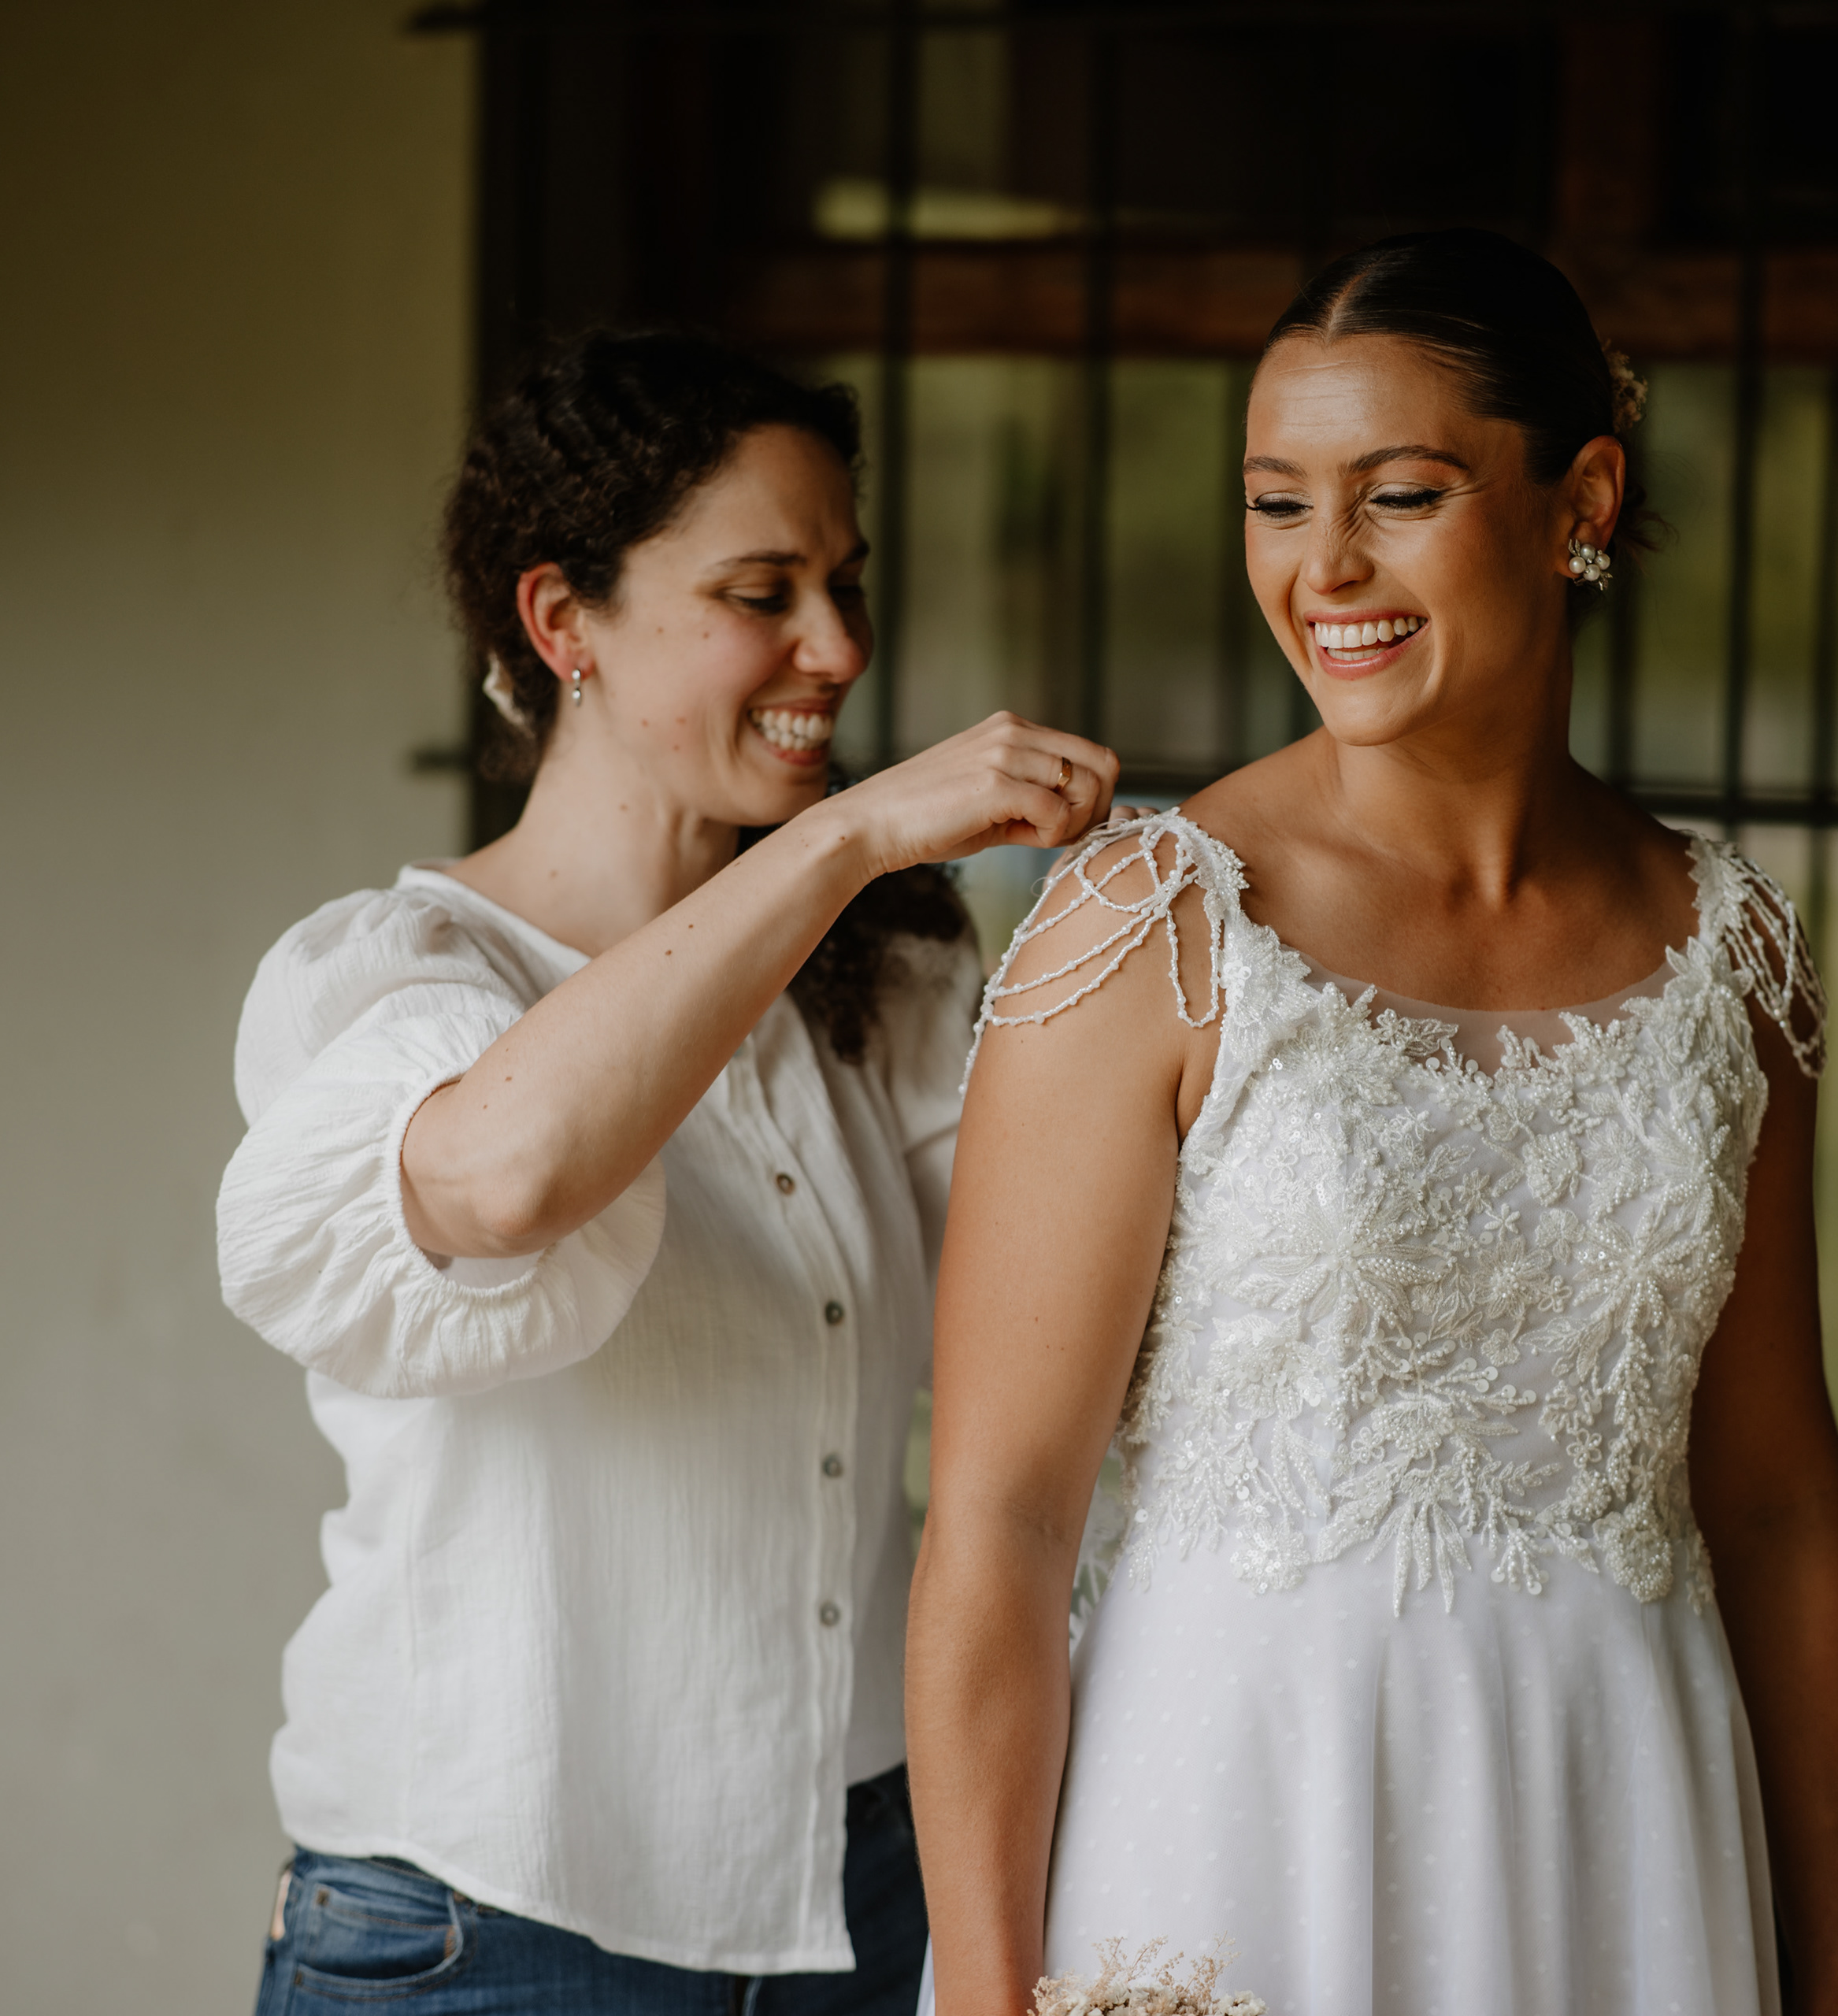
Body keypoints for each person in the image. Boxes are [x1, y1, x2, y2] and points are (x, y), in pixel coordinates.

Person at [906, 231, 1838, 2016]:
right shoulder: (1151, 925)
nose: (1326, 567)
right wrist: (982, 1994)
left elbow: (1778, 1505)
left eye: (1402, 495)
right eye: (1277, 503)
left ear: (1582, 498)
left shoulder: (1733, 953)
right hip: (1245, 1827)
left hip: (1623, 1840)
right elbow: (1001, 1522)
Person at [215, 329, 1117, 2014]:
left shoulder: (892, 981)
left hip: (875, 1894)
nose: (838, 647)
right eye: (762, 593)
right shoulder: (390, 975)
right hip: (487, 1924)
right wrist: (848, 834)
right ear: (565, 623)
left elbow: (1074, 1321)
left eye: (847, 583)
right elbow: (505, 1182)